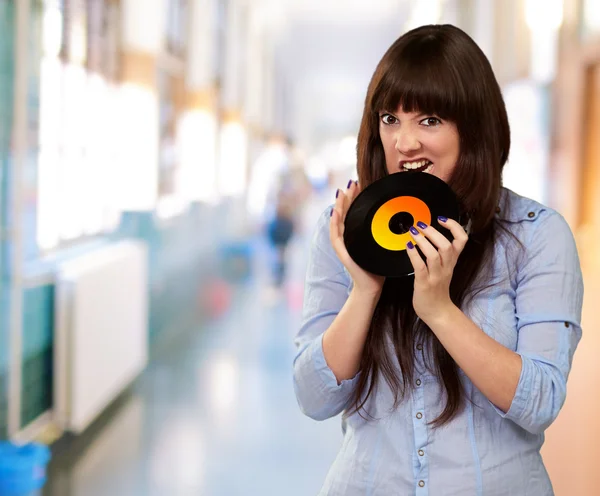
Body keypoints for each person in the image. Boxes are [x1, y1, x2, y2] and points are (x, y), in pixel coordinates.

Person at [293, 24, 583, 495]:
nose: (405, 142)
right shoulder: (345, 229)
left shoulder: (536, 235)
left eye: (429, 120)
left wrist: (441, 311)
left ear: (474, 127)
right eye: (390, 118)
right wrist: (365, 289)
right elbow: (314, 396)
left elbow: (541, 402)